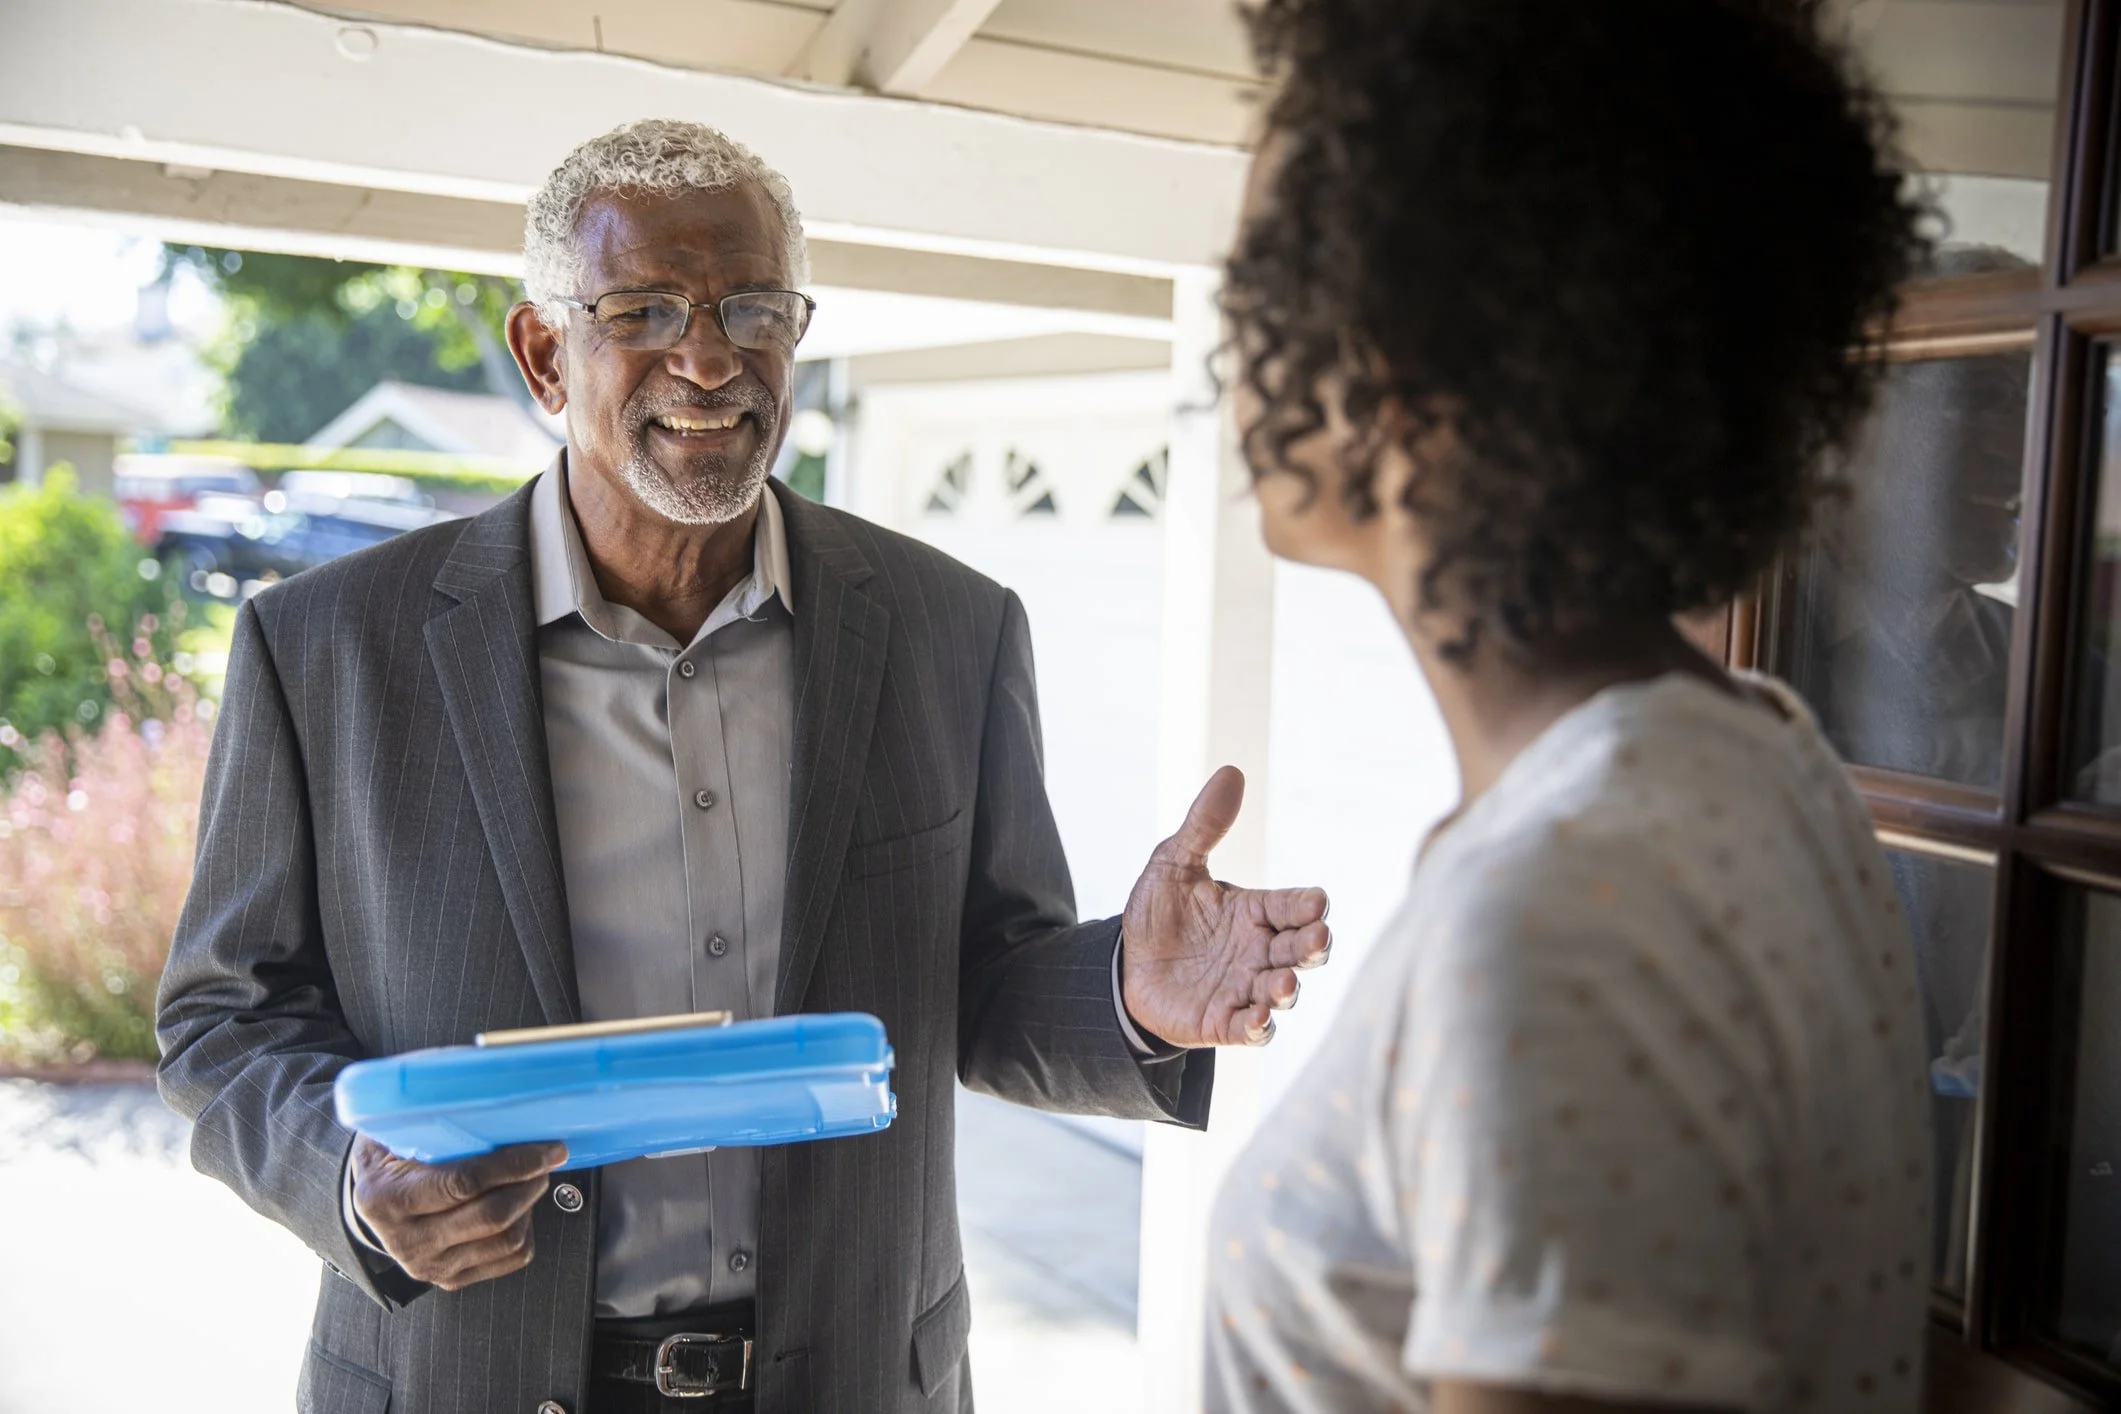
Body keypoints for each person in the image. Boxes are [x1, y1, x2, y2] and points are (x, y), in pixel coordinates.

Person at [156, 119, 1332, 1414]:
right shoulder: (325, 647)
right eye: (644, 307)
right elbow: (222, 1015)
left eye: (751, 307)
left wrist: (1133, 992)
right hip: (466, 1373)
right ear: (546, 355)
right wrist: (346, 1179)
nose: (708, 357)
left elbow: (985, 985)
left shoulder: (950, 627)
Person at [1203, 3, 1933, 1412]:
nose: (1237, 330)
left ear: (1403, 362)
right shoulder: (1757, 750)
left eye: (1268, 273)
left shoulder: (1561, 906)